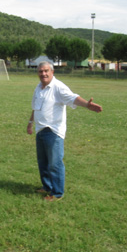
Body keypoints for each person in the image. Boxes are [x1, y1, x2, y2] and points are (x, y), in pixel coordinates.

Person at [26, 61, 102, 201]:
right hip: (40, 129)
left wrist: (86, 105)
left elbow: (73, 97)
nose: (43, 74)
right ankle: (47, 186)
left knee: (55, 163)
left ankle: (57, 193)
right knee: (43, 162)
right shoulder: (39, 88)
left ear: (52, 72)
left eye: (46, 71)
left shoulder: (58, 87)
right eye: (40, 71)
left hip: (53, 131)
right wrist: (30, 123)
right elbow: (35, 108)